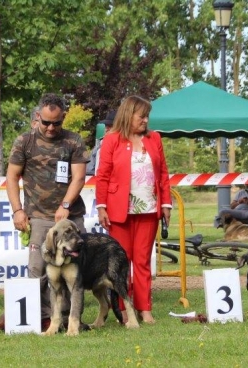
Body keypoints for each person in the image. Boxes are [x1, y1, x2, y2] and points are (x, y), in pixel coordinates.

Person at [6, 93, 89, 331]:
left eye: (56, 122)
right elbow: (12, 177)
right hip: (39, 216)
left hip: (70, 219)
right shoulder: (24, 141)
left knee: (74, 271)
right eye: (46, 122)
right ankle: (42, 319)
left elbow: (79, 177)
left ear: (63, 117)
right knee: (38, 271)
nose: (51, 127)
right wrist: (17, 210)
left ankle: (71, 320)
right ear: (37, 117)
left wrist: (65, 205)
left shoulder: (73, 142)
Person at [95, 95, 172, 324]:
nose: (146, 120)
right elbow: (103, 176)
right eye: (142, 115)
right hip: (119, 211)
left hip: (149, 209)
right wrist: (102, 207)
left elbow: (164, 174)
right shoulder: (111, 140)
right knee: (121, 262)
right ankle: (124, 311)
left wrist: (166, 203)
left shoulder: (155, 138)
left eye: (148, 115)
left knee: (142, 262)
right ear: (129, 115)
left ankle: (145, 309)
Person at [86, 110, 116, 176]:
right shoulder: (99, 146)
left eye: (110, 126)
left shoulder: (127, 148)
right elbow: (89, 171)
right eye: (105, 126)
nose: (106, 129)